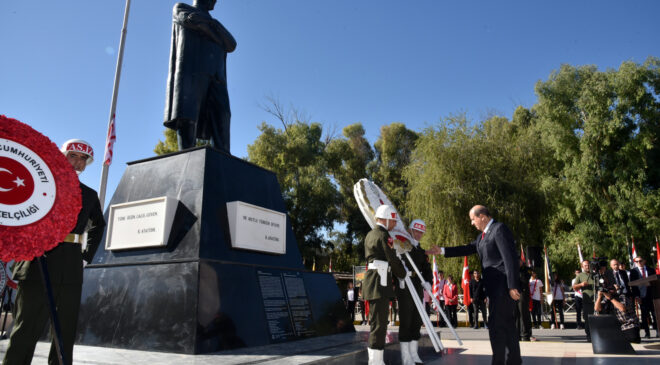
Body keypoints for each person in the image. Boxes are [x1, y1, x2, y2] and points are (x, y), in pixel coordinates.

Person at [3, 139, 106, 365]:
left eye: (83, 159)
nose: (77, 162)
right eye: (73, 155)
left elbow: (99, 224)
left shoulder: (88, 194)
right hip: (38, 262)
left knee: (65, 330)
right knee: (26, 327)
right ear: (61, 155)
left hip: (70, 265)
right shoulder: (40, 184)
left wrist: (86, 256)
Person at [435, 205, 522, 365]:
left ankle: (499, 361)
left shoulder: (498, 229)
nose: (472, 223)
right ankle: (514, 360)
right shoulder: (482, 237)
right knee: (507, 325)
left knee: (496, 327)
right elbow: (467, 248)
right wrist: (441, 251)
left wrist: (512, 285)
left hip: (502, 288)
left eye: (472, 219)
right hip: (493, 289)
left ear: (482, 216)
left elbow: (509, 258)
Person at [164, 0, 237, 153]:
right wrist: (217, 35)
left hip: (217, 78)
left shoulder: (214, 22)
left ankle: (223, 164)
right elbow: (192, 20)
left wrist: (211, 26)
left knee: (222, 117)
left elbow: (231, 44)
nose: (215, 1)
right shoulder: (181, 7)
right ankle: (186, 160)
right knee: (188, 119)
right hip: (192, 72)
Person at [363, 205, 406, 365]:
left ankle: (376, 360)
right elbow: (392, 259)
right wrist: (403, 273)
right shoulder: (384, 235)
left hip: (375, 282)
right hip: (379, 283)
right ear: (386, 219)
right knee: (379, 325)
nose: (394, 224)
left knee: (378, 324)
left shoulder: (370, 234)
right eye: (393, 221)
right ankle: (375, 361)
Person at [396, 219, 433, 365]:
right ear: (410, 230)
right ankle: (406, 356)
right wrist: (400, 273)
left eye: (421, 232)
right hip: (405, 285)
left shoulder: (420, 250)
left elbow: (427, 268)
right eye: (416, 231)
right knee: (406, 319)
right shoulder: (402, 245)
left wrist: (428, 280)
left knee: (417, 319)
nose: (418, 234)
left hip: (417, 285)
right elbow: (396, 262)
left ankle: (413, 352)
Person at [629, 256, 659, 338]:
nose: (638, 262)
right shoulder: (633, 272)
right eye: (636, 261)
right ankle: (647, 332)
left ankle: (657, 330)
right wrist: (637, 296)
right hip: (642, 296)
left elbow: (655, 282)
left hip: (652, 295)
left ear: (644, 261)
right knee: (644, 315)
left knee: (654, 314)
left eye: (640, 261)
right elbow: (633, 286)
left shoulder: (651, 270)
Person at [573, 260, 595, 342]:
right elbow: (574, 287)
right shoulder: (580, 275)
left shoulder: (595, 274)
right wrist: (581, 284)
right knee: (588, 318)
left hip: (597, 300)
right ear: (582, 267)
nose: (587, 266)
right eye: (585, 265)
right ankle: (589, 336)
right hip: (587, 300)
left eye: (588, 265)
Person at [515, 259, 535, 341]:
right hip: (515, 293)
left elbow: (525, 279)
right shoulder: (513, 269)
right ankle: (517, 334)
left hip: (523, 293)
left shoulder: (527, 270)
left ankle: (525, 334)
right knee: (516, 314)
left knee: (523, 314)